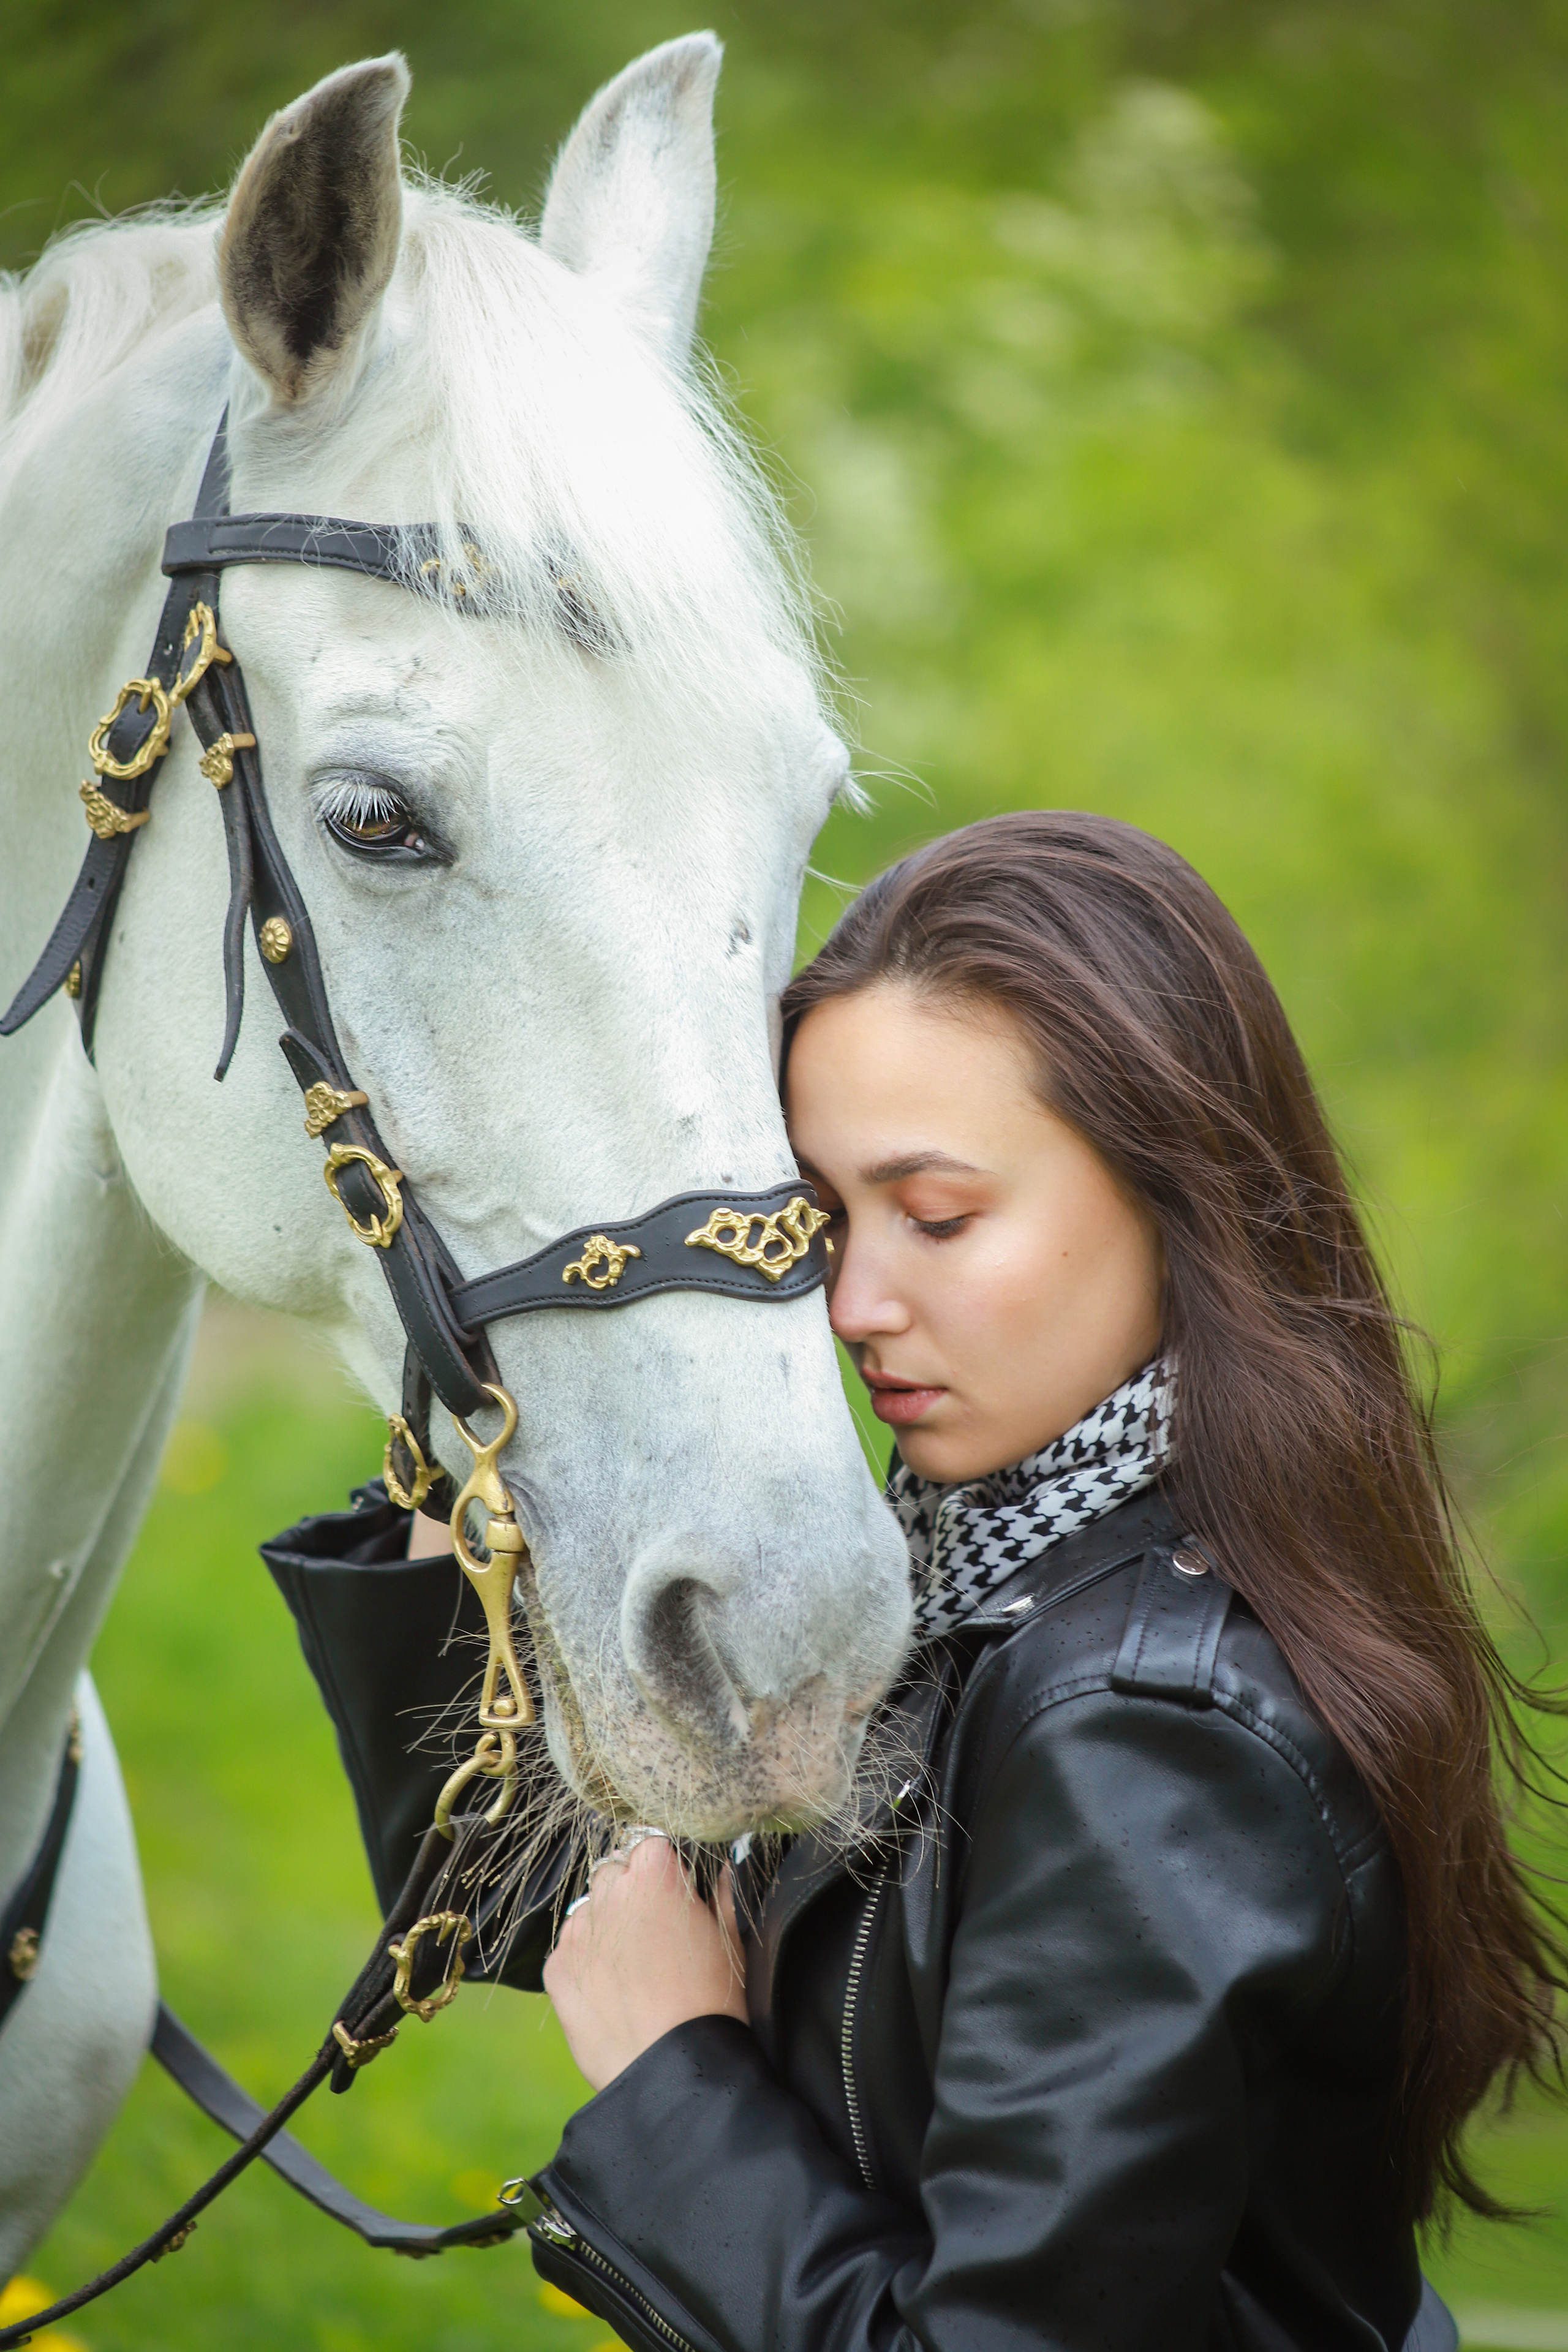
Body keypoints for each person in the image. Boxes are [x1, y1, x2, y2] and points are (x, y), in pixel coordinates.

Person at [265, 812, 1563, 2351]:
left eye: (937, 1218)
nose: (858, 1302)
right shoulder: (969, 1571)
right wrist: (466, 1419)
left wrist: (678, 2074)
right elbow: (539, 1900)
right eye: (826, 1221)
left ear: (1176, 1187)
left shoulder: (1143, 1731)